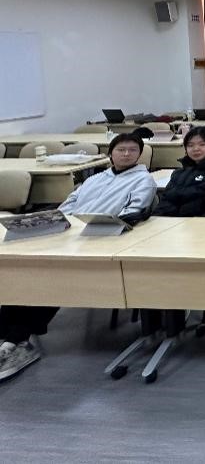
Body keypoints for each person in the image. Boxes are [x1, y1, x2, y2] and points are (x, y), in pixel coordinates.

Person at [0, 133, 157, 382]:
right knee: (27, 268)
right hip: (71, 234)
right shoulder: (95, 179)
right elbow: (69, 205)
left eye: (132, 150)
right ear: (111, 153)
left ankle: (17, 340)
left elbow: (133, 212)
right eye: (121, 149)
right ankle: (6, 336)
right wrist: (56, 222)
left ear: (140, 154)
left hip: (104, 237)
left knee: (53, 277)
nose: (126, 154)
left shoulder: (143, 179)